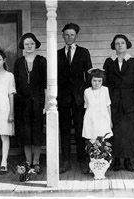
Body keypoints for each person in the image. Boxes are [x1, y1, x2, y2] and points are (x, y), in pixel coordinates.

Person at [103, 34, 134, 172]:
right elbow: (105, 83)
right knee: (116, 131)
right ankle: (115, 160)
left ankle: (128, 160)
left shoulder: (133, 62)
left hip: (131, 100)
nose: (120, 45)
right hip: (114, 100)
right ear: (113, 46)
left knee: (129, 132)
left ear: (127, 45)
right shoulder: (109, 62)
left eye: (122, 43)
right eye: (117, 43)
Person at [57, 23, 92, 174]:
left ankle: (82, 160)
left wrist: (85, 94)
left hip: (79, 99)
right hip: (63, 98)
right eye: (66, 34)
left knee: (80, 130)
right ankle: (65, 161)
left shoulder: (84, 52)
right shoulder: (57, 53)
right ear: (63, 35)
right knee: (64, 130)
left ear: (76, 36)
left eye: (72, 35)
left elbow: (89, 75)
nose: (69, 37)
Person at [14, 33, 47, 174]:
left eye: (32, 44)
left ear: (35, 45)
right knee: (26, 132)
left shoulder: (41, 61)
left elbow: (46, 84)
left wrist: (46, 104)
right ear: (23, 46)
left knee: (37, 132)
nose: (29, 46)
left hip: (38, 102)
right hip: (22, 102)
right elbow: (16, 83)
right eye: (26, 44)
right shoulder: (18, 62)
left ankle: (36, 161)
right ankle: (28, 161)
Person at [82, 68, 113, 142]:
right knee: (92, 140)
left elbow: (108, 106)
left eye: (99, 81)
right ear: (91, 80)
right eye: (94, 81)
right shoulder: (87, 91)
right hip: (91, 119)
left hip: (102, 118)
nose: (97, 83)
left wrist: (110, 120)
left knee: (102, 140)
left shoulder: (105, 90)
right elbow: (86, 106)